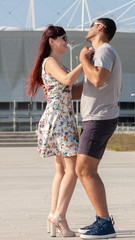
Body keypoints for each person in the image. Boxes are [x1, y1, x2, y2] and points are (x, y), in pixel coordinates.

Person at [26, 25, 92, 237]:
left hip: (59, 118)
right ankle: (59, 217)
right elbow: (66, 81)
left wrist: (91, 75)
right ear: (52, 41)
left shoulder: (57, 63)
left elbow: (70, 90)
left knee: (61, 171)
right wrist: (83, 63)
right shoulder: (51, 62)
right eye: (64, 38)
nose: (67, 41)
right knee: (72, 170)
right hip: (60, 119)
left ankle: (53, 215)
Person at [73, 18, 123, 239]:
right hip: (97, 118)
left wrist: (83, 59)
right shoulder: (101, 54)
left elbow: (97, 80)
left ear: (100, 27)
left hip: (99, 119)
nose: (88, 28)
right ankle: (101, 219)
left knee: (84, 170)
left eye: (92, 24)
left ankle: (104, 223)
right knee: (86, 170)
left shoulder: (103, 51)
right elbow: (88, 86)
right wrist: (57, 90)